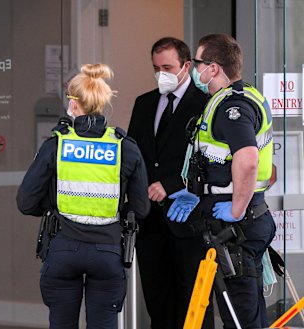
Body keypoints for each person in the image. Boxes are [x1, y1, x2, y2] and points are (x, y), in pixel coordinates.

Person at [17, 63, 150, 329]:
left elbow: (26, 202)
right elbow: (141, 208)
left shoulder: (57, 144)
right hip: (108, 251)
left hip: (64, 249)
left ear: (74, 104)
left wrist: (54, 204)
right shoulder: (125, 147)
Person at [168, 34, 275, 328]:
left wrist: (237, 209)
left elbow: (249, 159)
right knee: (248, 314)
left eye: (198, 63)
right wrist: (197, 191)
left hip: (236, 228)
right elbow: (251, 166)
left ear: (213, 68)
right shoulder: (240, 98)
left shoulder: (232, 108)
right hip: (243, 220)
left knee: (239, 319)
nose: (195, 71)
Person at [127, 37, 213, 329]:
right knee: (158, 300)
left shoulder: (205, 105)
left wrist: (172, 183)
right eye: (156, 67)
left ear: (186, 66)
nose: (161, 73)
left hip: (189, 221)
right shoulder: (144, 104)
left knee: (193, 302)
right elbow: (134, 156)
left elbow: (211, 159)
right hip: (150, 221)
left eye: (167, 67)